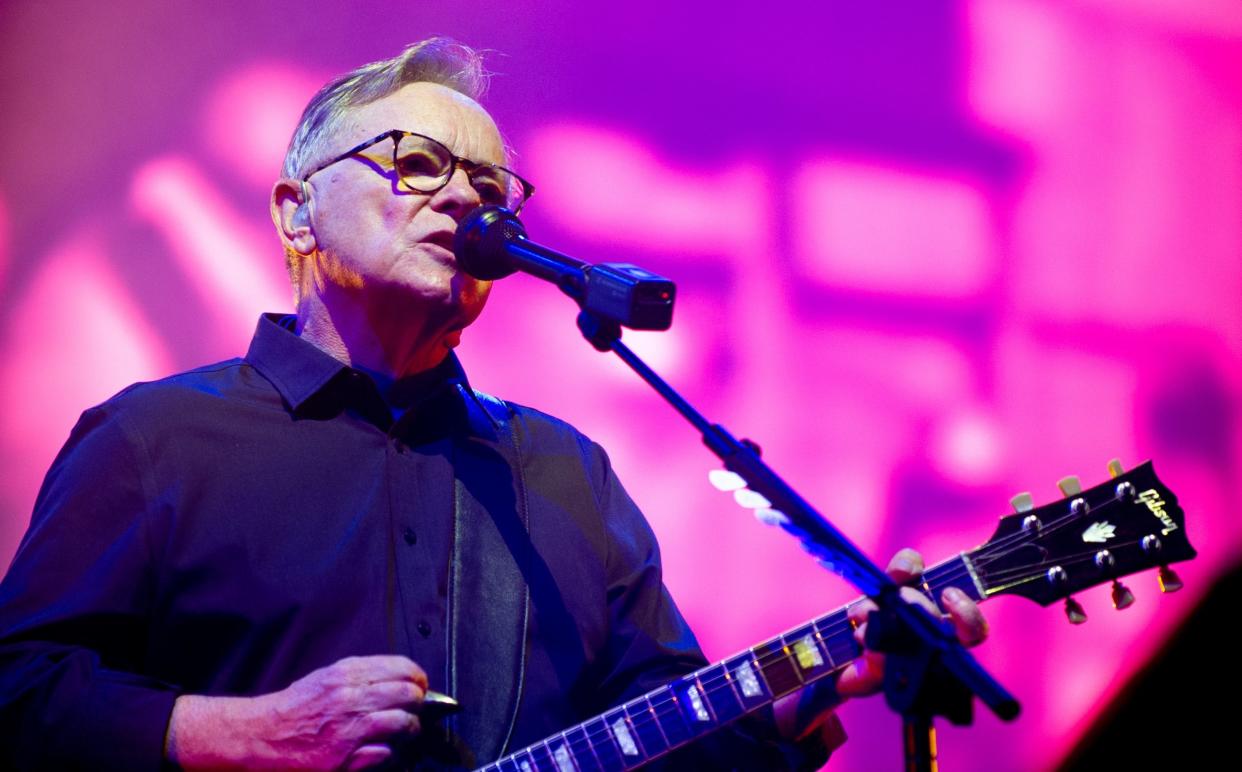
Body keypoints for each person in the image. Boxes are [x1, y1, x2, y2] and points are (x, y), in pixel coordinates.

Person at [0, 38, 986, 770]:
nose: (463, 203)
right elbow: (21, 691)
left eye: (489, 189)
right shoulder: (152, 438)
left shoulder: (563, 474)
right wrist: (248, 731)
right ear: (296, 211)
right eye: (419, 164)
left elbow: (655, 730)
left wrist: (805, 689)